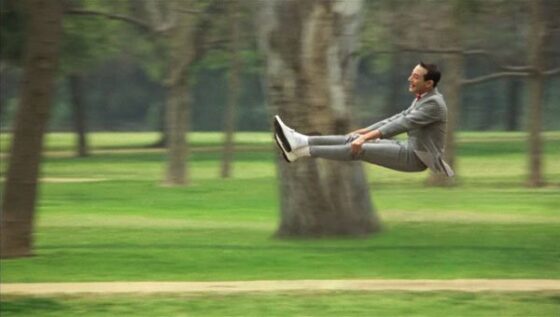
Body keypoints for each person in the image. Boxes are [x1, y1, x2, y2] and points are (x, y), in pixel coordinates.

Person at [273, 62, 454, 177]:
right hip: (408, 148)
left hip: (416, 158)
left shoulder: (434, 105)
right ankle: (299, 142)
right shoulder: (423, 98)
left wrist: (365, 138)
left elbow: (402, 124)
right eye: (411, 74)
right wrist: (364, 132)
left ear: (429, 83)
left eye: (415, 76)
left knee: (359, 148)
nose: (410, 79)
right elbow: (397, 117)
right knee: (352, 139)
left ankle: (301, 151)